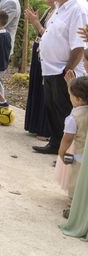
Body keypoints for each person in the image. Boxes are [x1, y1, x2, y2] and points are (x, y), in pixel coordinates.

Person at [35, 0, 88, 154]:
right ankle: (56, 143)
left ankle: (69, 152)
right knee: (53, 109)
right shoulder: (62, 6)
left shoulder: (78, 9)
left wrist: (68, 70)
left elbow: (79, 46)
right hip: (50, 68)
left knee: (65, 112)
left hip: (64, 71)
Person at [23, 0, 55, 138]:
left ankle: (45, 129)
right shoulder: (48, 10)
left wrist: (36, 23)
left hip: (46, 55)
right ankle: (34, 124)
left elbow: (47, 35)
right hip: (38, 52)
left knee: (44, 90)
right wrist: (34, 20)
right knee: (36, 86)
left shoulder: (57, 13)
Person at [54, 76, 88, 218]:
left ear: (78, 99)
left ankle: (73, 207)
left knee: (75, 181)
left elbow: (68, 138)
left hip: (79, 156)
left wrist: (61, 152)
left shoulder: (74, 117)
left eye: (71, 95)